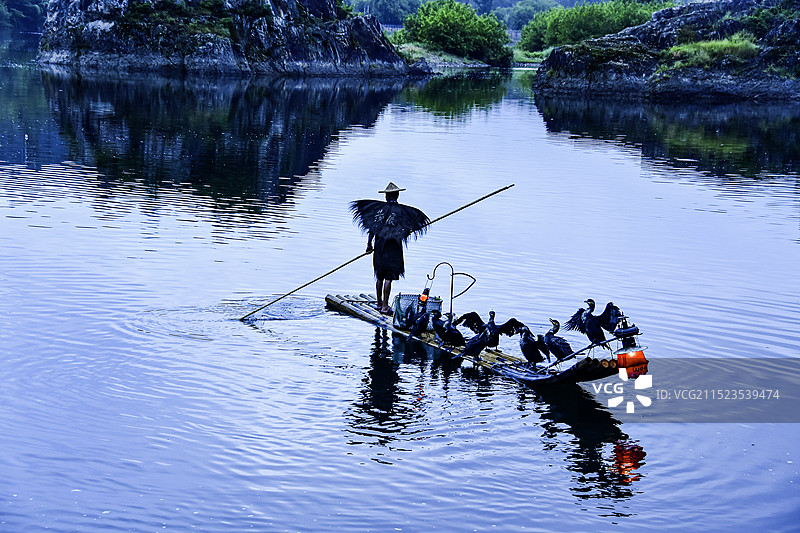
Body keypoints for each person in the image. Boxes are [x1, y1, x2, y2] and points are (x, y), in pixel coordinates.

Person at [350, 182, 430, 314]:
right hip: (393, 247)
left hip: (379, 245)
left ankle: (379, 303)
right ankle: (385, 306)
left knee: (379, 276)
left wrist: (369, 244)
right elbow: (406, 228)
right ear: (397, 195)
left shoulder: (378, 210)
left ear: (386, 197)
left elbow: (372, 228)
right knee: (388, 277)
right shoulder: (402, 212)